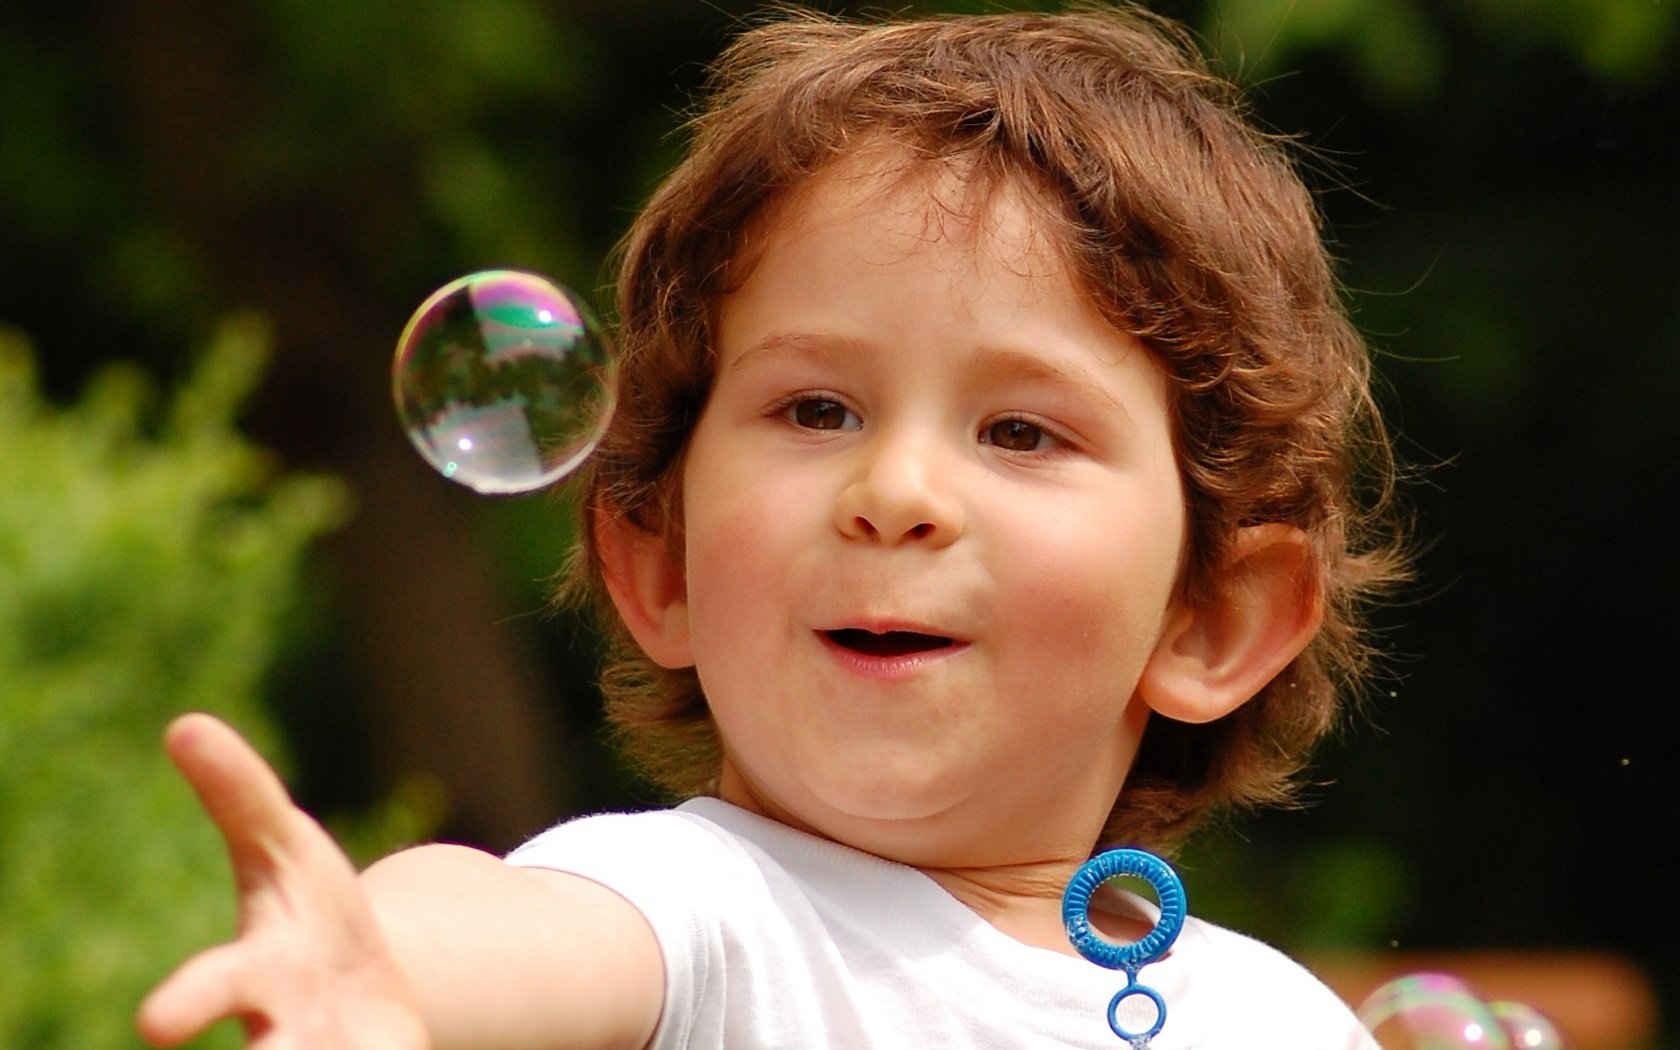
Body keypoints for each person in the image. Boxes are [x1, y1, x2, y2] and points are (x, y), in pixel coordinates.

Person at [138, 5, 1407, 1048]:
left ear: (1212, 619)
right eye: (815, 408)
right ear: (662, 561)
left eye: (1021, 432)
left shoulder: (1275, 1020)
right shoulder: (706, 918)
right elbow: (507, 922)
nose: (897, 492)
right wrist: (386, 969)